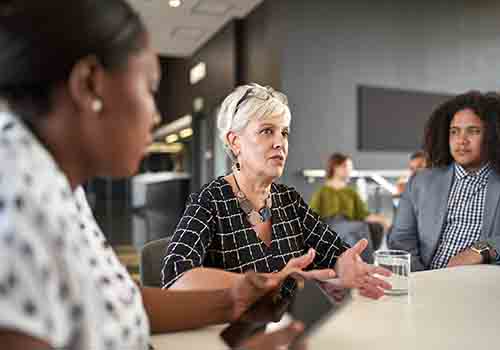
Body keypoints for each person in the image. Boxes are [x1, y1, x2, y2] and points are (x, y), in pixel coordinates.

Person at [0, 1, 311, 349]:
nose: (156, 116)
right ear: (89, 84)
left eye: (283, 133)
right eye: (150, 89)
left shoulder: (53, 183)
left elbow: (113, 302)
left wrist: (232, 300)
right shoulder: (15, 199)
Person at [162, 83, 391, 299]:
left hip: (289, 330)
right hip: (233, 335)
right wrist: (272, 280)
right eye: (266, 131)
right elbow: (177, 278)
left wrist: (344, 265)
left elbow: (333, 251)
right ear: (235, 142)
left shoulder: (288, 200)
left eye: (284, 133)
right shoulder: (209, 201)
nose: (279, 142)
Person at [388, 91, 500, 271]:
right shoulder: (421, 182)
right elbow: (401, 239)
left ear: (492, 136)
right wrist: (421, 280)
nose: (461, 141)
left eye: (473, 131)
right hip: (425, 282)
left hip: (481, 287)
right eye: (454, 132)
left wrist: (480, 250)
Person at [309, 153, 389, 262]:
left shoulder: (351, 192)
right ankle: (368, 265)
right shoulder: (322, 192)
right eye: (346, 166)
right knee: (359, 228)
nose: (349, 170)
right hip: (330, 225)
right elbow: (311, 216)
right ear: (335, 168)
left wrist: (382, 220)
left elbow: (363, 214)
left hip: (350, 225)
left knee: (354, 237)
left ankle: (354, 266)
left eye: (350, 167)